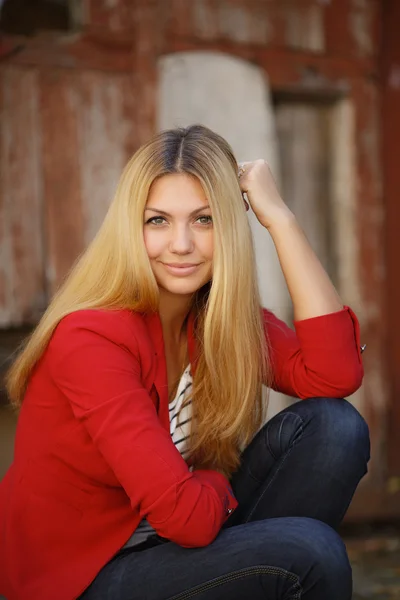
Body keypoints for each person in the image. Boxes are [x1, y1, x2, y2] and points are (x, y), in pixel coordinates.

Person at [0, 125, 370, 600]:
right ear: (130, 228)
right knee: (311, 553)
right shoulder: (91, 338)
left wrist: (279, 219)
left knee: (335, 427)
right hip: (83, 574)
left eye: (204, 219)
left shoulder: (217, 318)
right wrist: (214, 480)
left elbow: (334, 375)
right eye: (158, 221)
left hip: (174, 536)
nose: (180, 244)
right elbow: (189, 521)